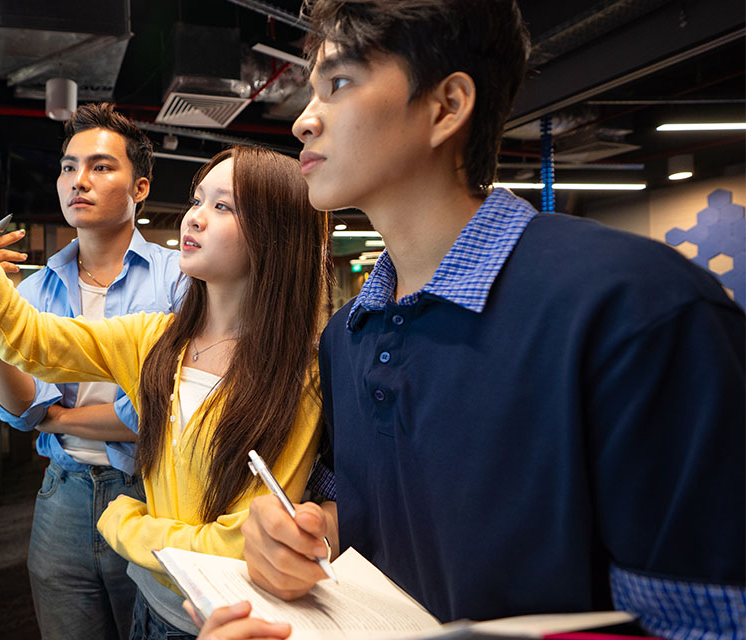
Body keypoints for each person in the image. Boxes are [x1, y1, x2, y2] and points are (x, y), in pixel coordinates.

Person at [206, 0, 746, 639]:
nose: (303, 120)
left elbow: (708, 622)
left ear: (446, 106)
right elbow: (357, 516)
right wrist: (300, 539)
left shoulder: (635, 308)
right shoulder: (348, 333)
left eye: (339, 84)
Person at [0, 97, 331, 640]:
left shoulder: (296, 375)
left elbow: (241, 540)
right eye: (196, 200)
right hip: (141, 587)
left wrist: (125, 521)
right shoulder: (155, 340)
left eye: (224, 206)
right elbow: (23, 338)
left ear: (274, 235)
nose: (193, 216)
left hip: (218, 616)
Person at [0, 103, 182, 640]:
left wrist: (56, 419)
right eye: (67, 166)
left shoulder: (180, 281)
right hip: (60, 499)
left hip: (152, 495)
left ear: (141, 187)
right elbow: (19, 410)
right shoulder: (35, 290)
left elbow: (156, 414)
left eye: (102, 166)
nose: (77, 181)